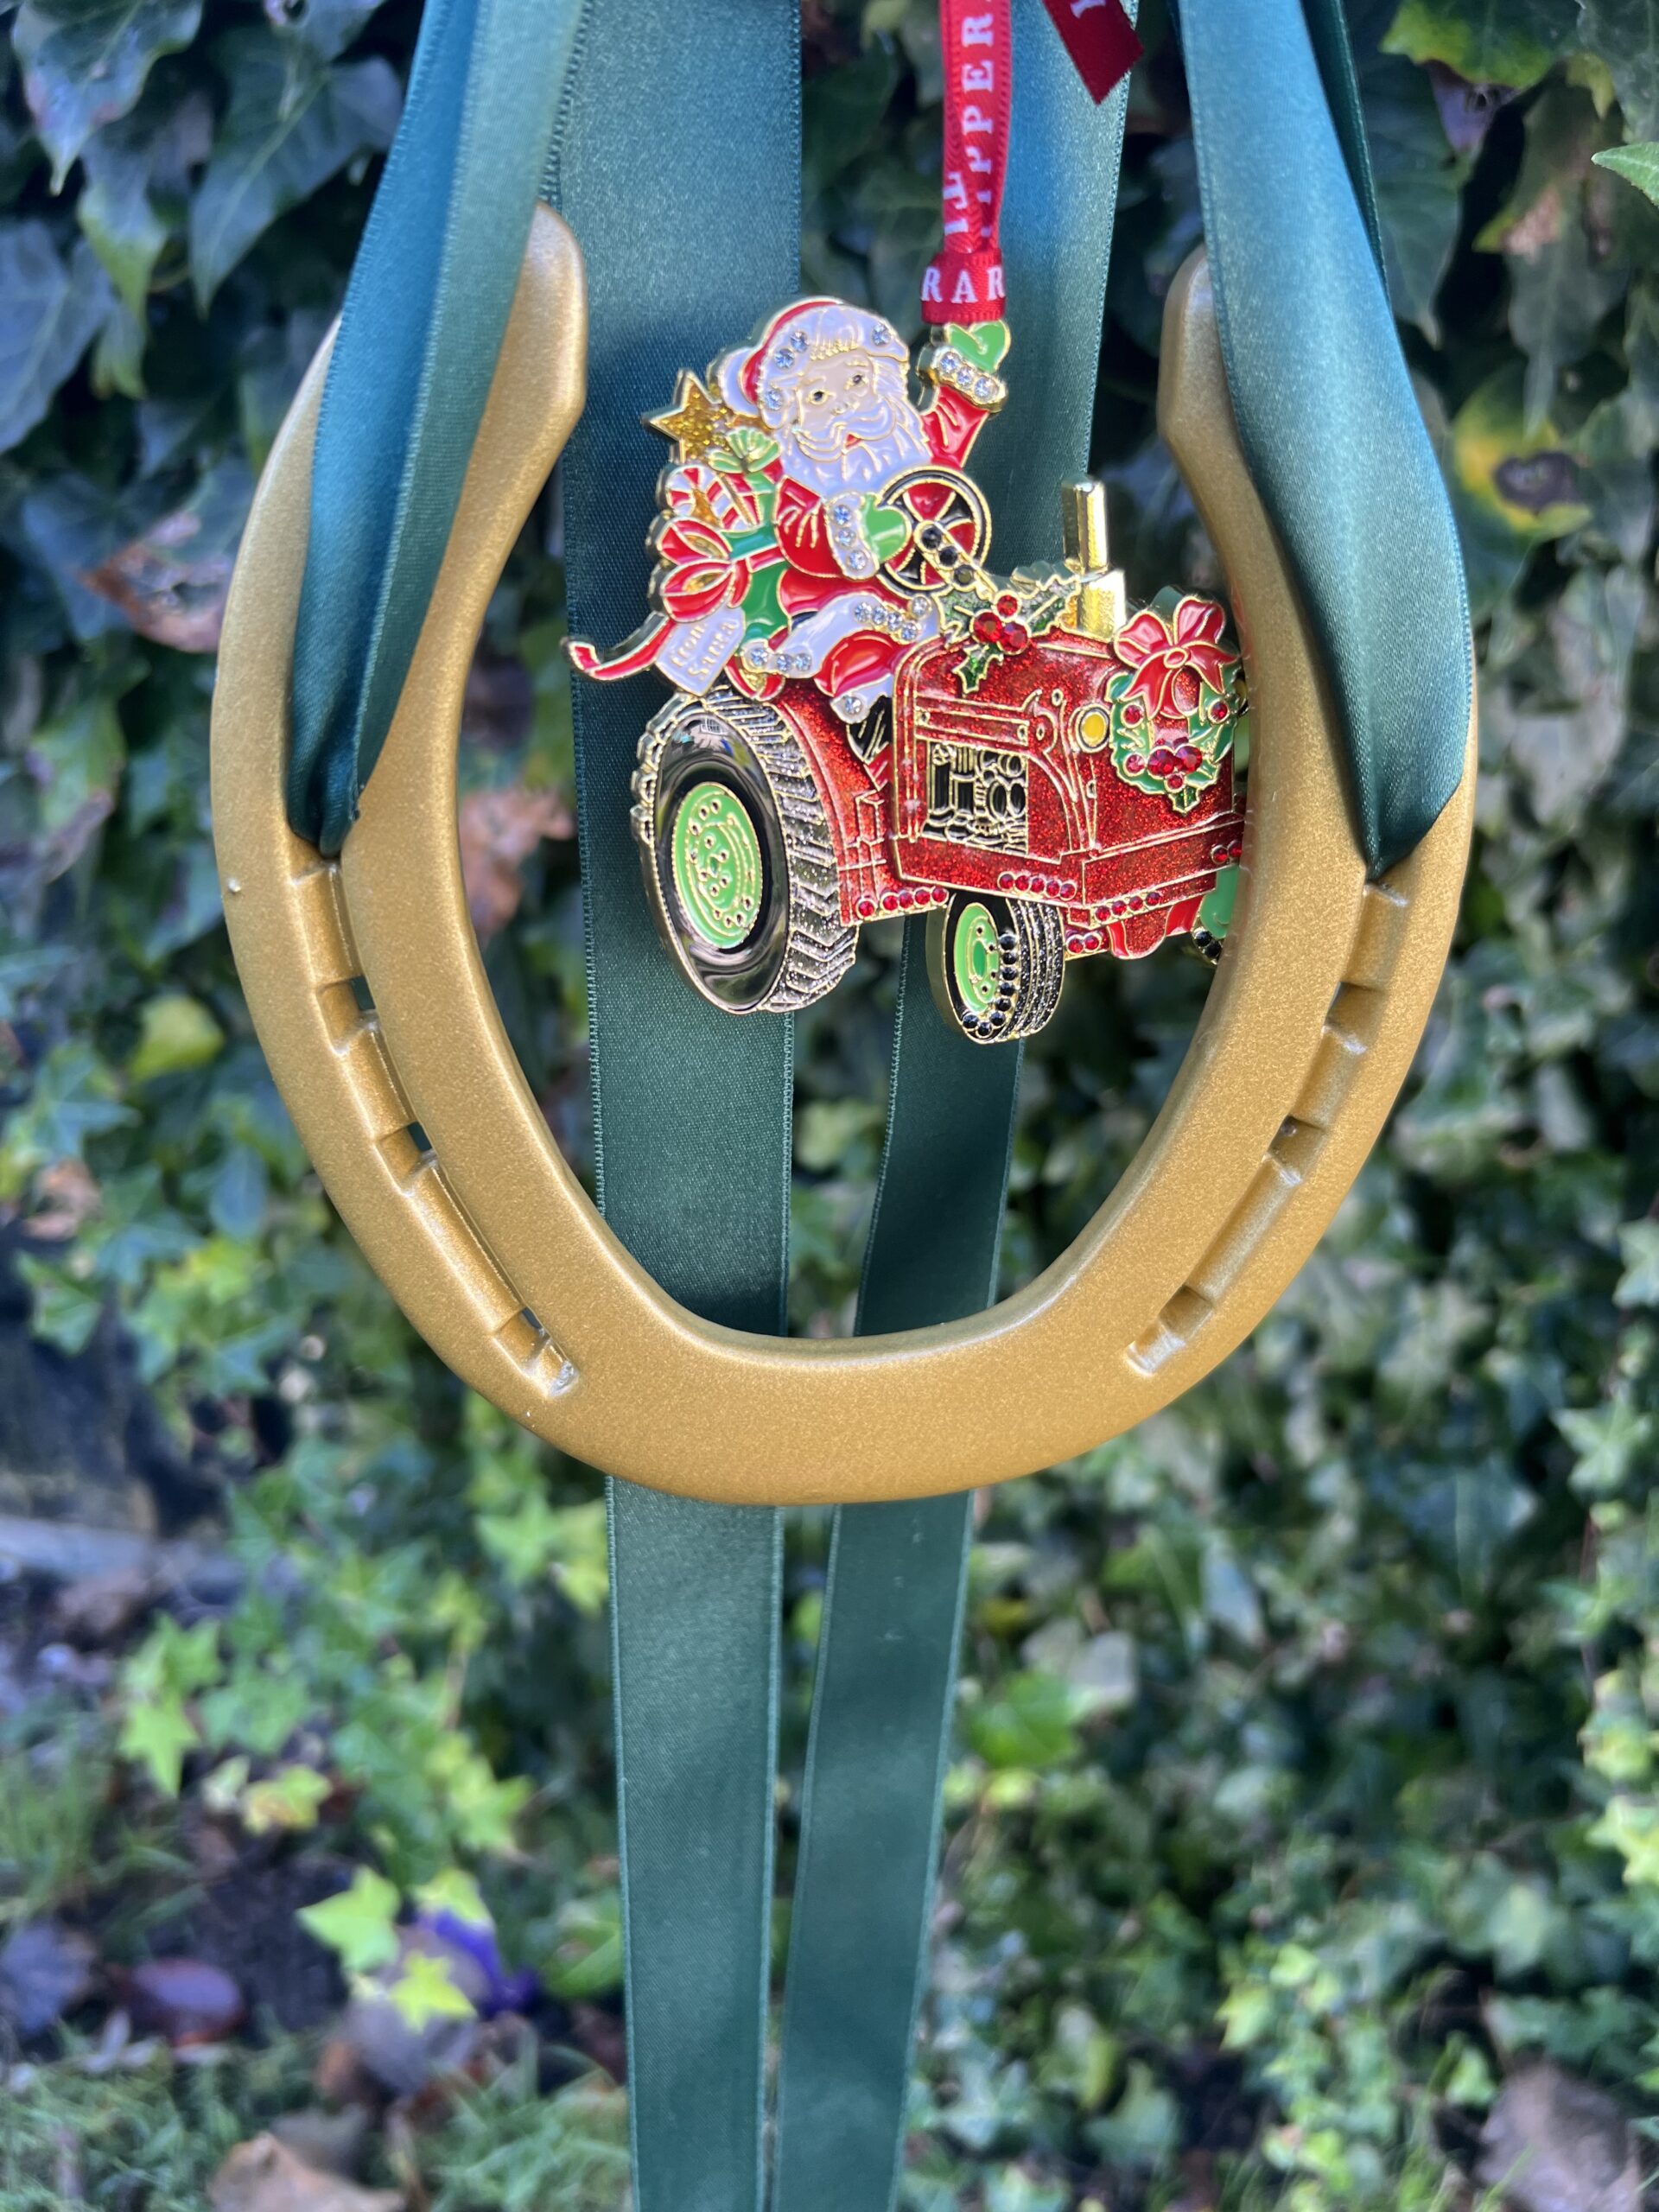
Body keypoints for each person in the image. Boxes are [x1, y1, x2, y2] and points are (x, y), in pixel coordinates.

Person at [569, 296, 1009, 738]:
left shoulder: (913, 445)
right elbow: (800, 534)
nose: (843, 406)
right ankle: (865, 700)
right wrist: (856, 532)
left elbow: (951, 427)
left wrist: (967, 370)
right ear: (792, 419)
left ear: (884, 379)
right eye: (818, 395)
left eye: (857, 380)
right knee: (853, 633)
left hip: (939, 607)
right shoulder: (800, 483)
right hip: (832, 613)